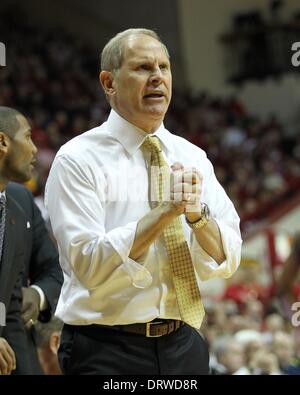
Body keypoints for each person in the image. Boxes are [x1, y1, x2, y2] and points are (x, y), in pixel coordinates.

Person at [45, 28, 242, 375]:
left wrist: (196, 215)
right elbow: (87, 263)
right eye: (142, 68)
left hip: (184, 343)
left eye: (164, 68)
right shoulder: (77, 159)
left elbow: (229, 255)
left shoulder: (192, 155)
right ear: (109, 83)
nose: (157, 78)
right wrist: (167, 211)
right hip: (106, 349)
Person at [0, 106, 63, 374]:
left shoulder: (22, 200)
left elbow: (53, 270)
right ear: (3, 142)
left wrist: (38, 296)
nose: (35, 149)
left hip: (17, 356)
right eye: (27, 137)